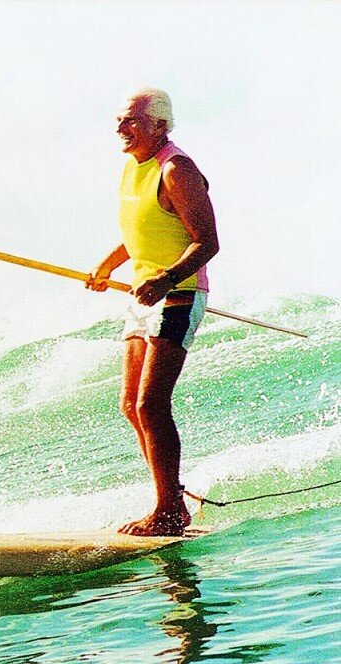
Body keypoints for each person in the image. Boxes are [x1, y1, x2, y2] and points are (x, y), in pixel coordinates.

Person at [85, 88, 220, 536]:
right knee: (130, 405)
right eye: (119, 121)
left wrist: (164, 279)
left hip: (178, 292)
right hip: (145, 296)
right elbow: (143, 228)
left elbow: (207, 241)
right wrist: (108, 265)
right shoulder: (133, 167)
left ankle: (168, 510)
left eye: (132, 121)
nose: (121, 129)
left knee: (151, 403)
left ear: (160, 125)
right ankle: (171, 497)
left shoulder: (176, 168)